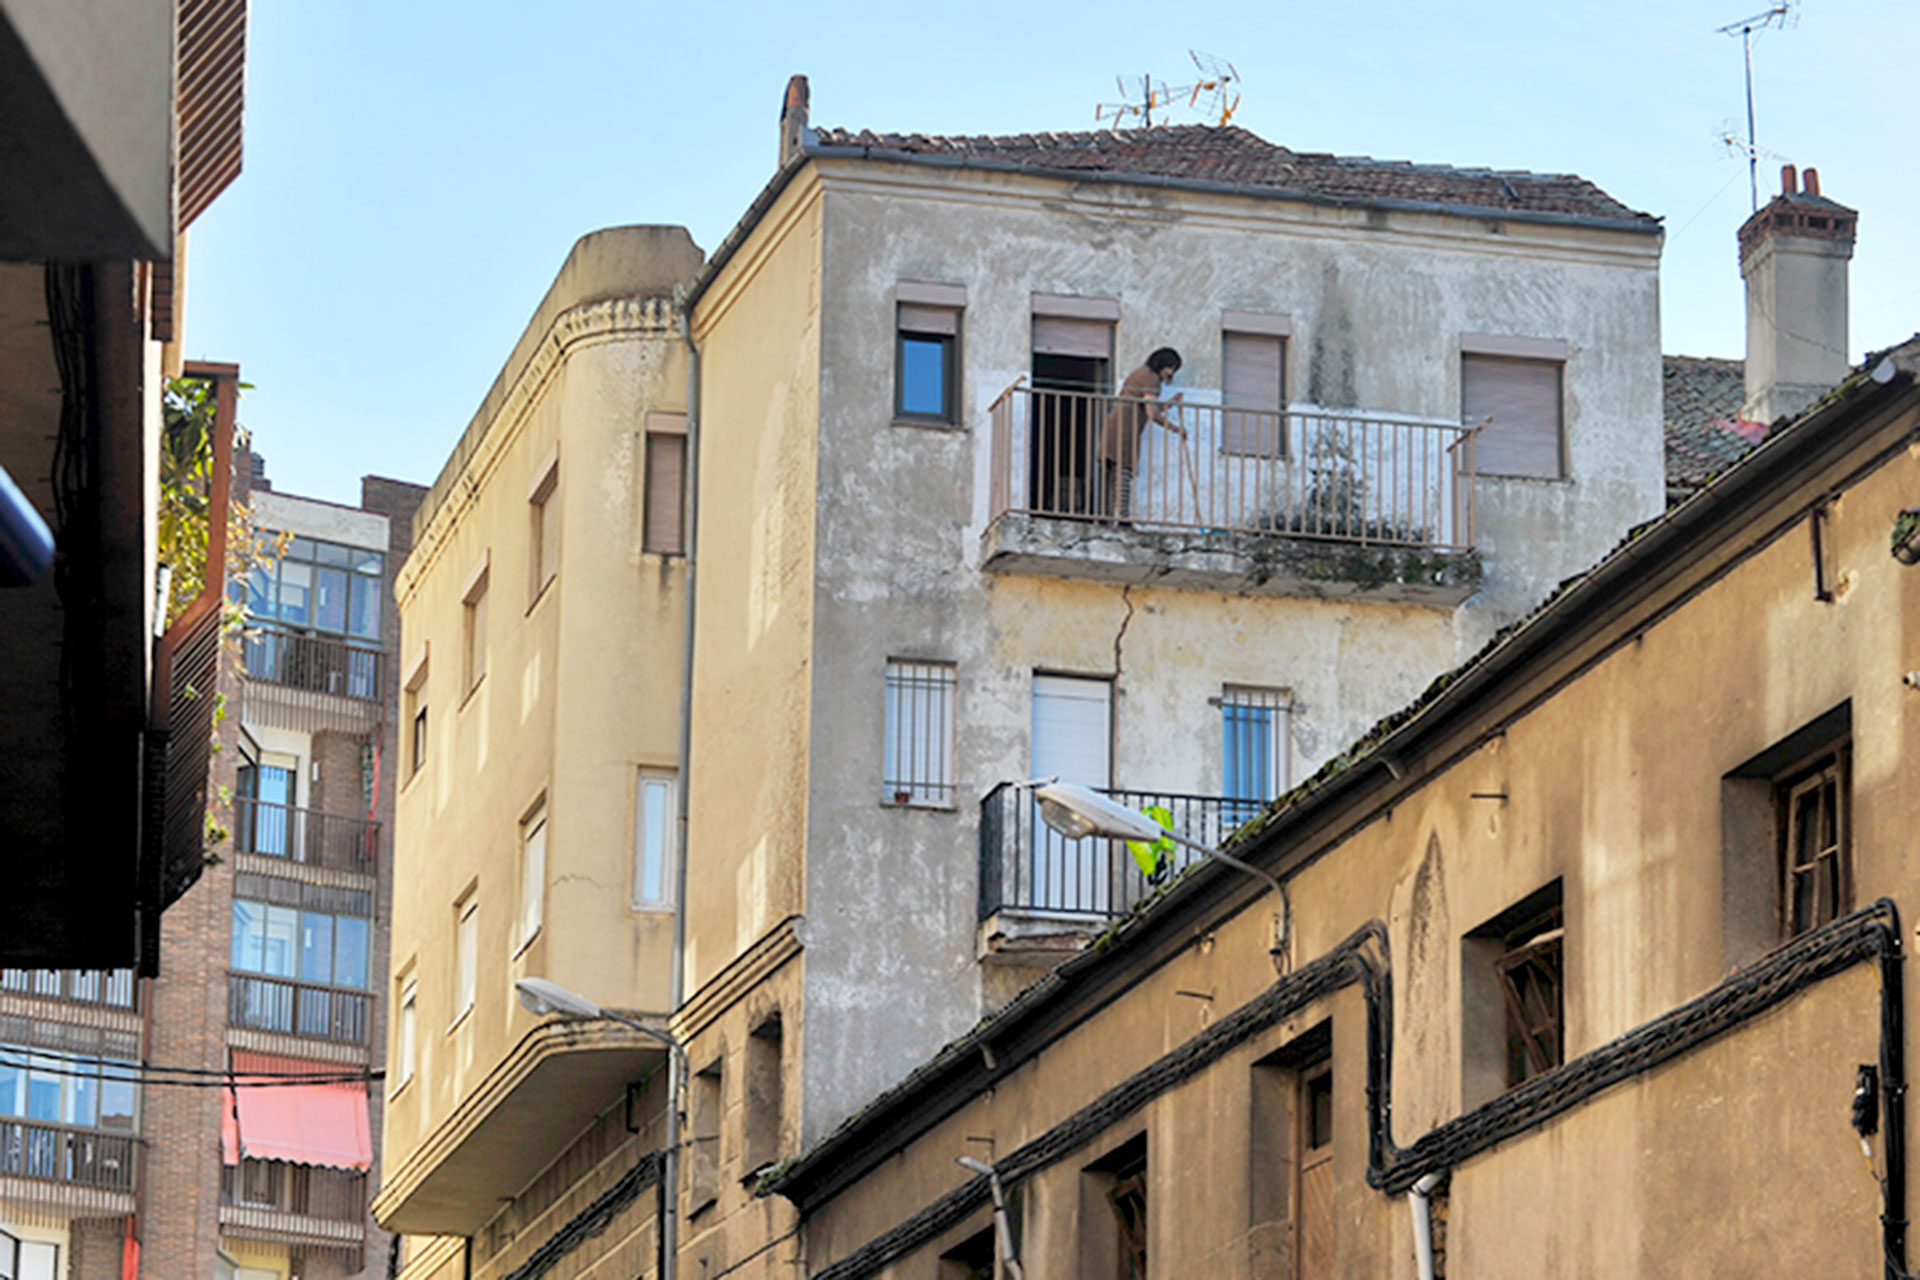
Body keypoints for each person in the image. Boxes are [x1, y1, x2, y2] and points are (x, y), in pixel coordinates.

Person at [1100, 347, 1185, 520]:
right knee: (1124, 470)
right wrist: (1173, 427)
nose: (1169, 373)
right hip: (1126, 425)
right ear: (1161, 364)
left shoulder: (1143, 374)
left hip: (1120, 422)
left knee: (1117, 471)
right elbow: (1152, 413)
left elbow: (1150, 407)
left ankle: (1111, 515)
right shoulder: (1151, 378)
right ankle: (1121, 518)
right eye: (1170, 367)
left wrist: (1170, 403)